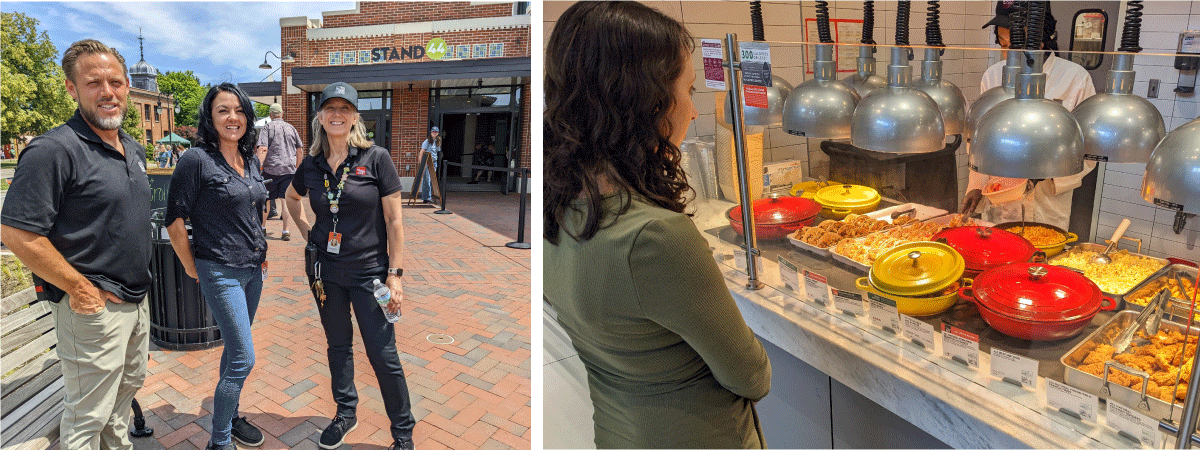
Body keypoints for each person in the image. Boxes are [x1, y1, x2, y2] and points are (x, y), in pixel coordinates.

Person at [544, 3, 772, 448]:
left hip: (618, 433)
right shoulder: (654, 237)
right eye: (687, 90)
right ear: (646, 101)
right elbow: (752, 375)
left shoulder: (557, 207)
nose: (692, 112)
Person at [0, 39, 152, 450]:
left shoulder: (131, 148)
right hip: (93, 309)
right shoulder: (53, 150)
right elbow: (16, 232)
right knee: (87, 414)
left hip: (135, 302)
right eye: (94, 82)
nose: (108, 92)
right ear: (72, 88)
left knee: (123, 396)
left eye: (116, 82)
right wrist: (79, 288)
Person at [284, 82, 415, 450]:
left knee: (382, 354)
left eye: (345, 109)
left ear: (355, 116)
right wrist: (307, 231)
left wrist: (395, 274)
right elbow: (291, 197)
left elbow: (394, 222)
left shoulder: (376, 158)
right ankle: (346, 413)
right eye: (330, 109)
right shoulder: (310, 165)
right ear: (320, 117)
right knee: (338, 346)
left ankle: (403, 433)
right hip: (326, 274)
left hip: (370, 272)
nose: (337, 115)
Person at [164, 83, 267, 450]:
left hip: (253, 269)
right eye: (223, 110)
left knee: (233, 349)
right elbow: (174, 220)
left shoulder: (250, 157)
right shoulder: (196, 159)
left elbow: (256, 205)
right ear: (210, 116)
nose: (232, 117)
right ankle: (219, 441)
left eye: (239, 110)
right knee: (243, 357)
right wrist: (193, 268)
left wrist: (262, 246)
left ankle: (232, 415)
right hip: (219, 270)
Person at [962, 0, 1098, 228]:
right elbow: (979, 140)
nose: (1009, 55)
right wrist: (976, 184)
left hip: (1048, 203)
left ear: (1040, 38)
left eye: (1018, 45)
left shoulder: (1075, 78)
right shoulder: (993, 76)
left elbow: (1090, 149)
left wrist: (1047, 174)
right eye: (1003, 44)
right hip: (1001, 202)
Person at [256, 102, 304, 241]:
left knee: (266, 199)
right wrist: (297, 168)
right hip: (289, 169)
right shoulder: (291, 128)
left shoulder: (267, 127)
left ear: (271, 115)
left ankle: (263, 228)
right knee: (285, 200)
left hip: (270, 169)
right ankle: (285, 231)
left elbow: (263, 148)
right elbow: (299, 150)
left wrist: (257, 167)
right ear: (282, 114)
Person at [418, 126, 440, 203]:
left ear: (438, 133)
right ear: (431, 133)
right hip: (427, 163)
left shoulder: (437, 142)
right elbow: (421, 152)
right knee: (427, 180)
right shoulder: (427, 141)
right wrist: (421, 163)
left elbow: (437, 152)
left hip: (434, 163)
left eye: (436, 132)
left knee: (432, 180)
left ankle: (429, 196)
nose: (434, 133)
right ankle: (426, 198)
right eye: (433, 132)